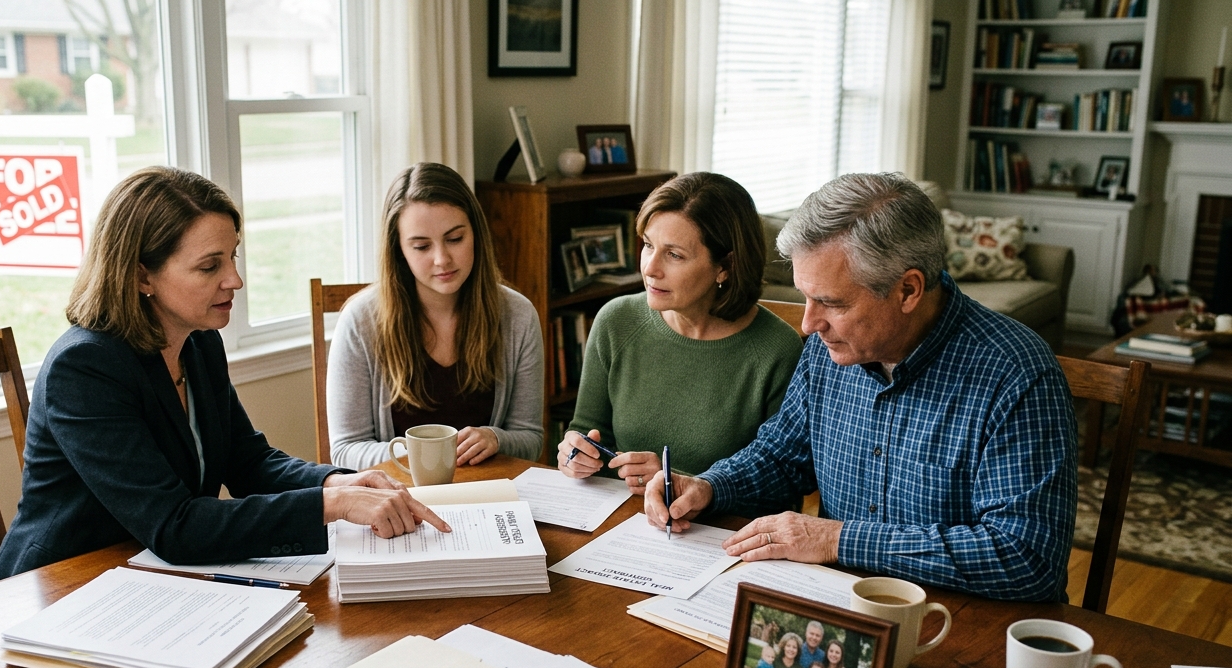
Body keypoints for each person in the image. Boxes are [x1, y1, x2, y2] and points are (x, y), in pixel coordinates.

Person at [0, 167, 449, 581]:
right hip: (61, 586)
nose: (235, 280)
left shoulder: (198, 342)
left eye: (233, 258)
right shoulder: (84, 369)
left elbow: (249, 463)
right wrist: (332, 506)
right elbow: (174, 525)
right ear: (141, 276)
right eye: (210, 265)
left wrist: (338, 482)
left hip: (147, 574)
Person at [645, 172, 1078, 601]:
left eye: (832, 303)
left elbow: (1026, 557)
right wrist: (711, 486)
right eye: (805, 297)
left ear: (908, 289)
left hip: (963, 623)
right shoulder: (829, 348)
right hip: (839, 607)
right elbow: (781, 457)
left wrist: (838, 540)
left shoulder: (1015, 372)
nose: (809, 324)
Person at [556, 172, 803, 496]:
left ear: (725, 266)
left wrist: (678, 481)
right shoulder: (616, 321)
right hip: (620, 522)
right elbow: (587, 431)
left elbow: (781, 484)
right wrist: (574, 454)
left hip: (718, 535)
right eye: (648, 245)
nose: (650, 268)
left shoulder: (777, 350)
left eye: (674, 254)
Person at [327, 162, 544, 470]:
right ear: (399, 249)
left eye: (455, 239)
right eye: (421, 246)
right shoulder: (360, 322)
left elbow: (531, 439)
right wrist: (423, 456)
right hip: (397, 500)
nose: (442, 259)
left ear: (476, 234)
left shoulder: (518, 316)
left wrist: (496, 439)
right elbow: (346, 450)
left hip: (488, 496)